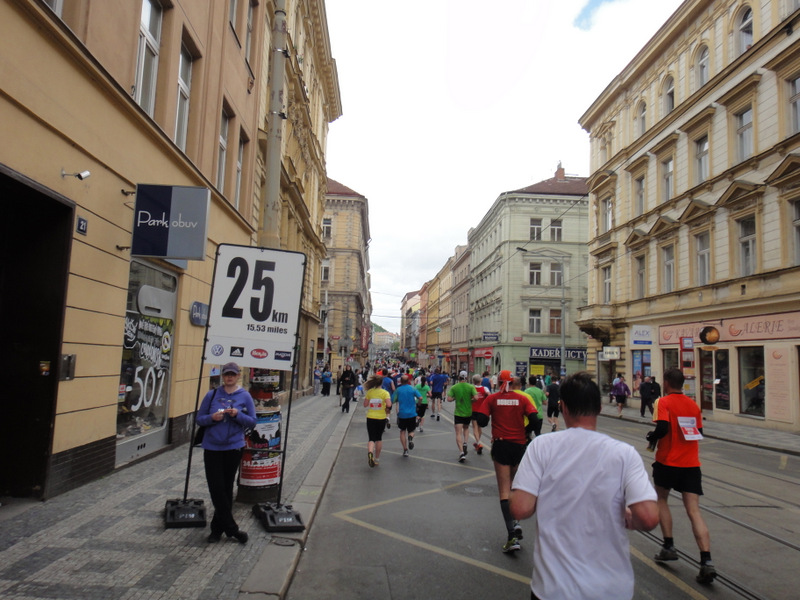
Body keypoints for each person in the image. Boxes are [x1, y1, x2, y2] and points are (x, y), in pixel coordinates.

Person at [510, 371, 659, 600]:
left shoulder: (542, 447)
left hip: (554, 589)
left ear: (563, 408)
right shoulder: (624, 453)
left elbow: (520, 509)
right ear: (599, 408)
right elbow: (648, 518)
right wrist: (630, 517)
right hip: (612, 589)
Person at [647, 368, 717, 584]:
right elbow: (700, 432)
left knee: (661, 499)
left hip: (667, 461)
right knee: (694, 510)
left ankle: (668, 545)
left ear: (666, 382)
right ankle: (706, 561)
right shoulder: (693, 405)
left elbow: (663, 427)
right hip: (691, 464)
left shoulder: (663, 402)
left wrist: (651, 435)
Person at [473, 370, 538, 553]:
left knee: (504, 490)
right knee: (516, 486)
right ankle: (516, 521)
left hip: (501, 444)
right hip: (519, 445)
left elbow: (482, 421)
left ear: (498, 382)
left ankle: (512, 536)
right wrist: (526, 433)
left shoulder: (492, 399)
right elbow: (535, 419)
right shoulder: (522, 399)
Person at [196, 362, 257, 544]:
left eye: (233, 374)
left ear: (238, 375)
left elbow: (252, 422)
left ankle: (216, 530)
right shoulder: (212, 394)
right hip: (212, 448)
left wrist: (237, 414)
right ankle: (232, 529)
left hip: (233, 448)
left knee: (227, 489)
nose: (229, 377)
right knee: (216, 489)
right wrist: (212, 418)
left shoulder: (245, 396)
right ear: (222, 376)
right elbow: (199, 419)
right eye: (226, 374)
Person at [446, 371, 477, 462]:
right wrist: (471, 401)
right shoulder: (471, 387)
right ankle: (465, 443)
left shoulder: (454, 387)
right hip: (468, 412)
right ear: (466, 378)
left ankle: (461, 453)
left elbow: (449, 399)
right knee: (466, 428)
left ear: (459, 377)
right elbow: (476, 398)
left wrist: (455, 398)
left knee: (458, 433)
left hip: (458, 413)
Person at [363, 374, 392, 467]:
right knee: (379, 438)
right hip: (381, 418)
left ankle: (370, 452)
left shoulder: (370, 392)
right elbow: (389, 404)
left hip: (370, 417)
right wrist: (386, 408)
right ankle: (377, 458)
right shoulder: (385, 393)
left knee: (371, 438)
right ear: (381, 383)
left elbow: (365, 404)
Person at [391, 374, 422, 457]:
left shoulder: (398, 390)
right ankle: (410, 438)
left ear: (400, 381)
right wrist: (418, 404)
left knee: (402, 431)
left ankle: (405, 450)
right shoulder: (413, 388)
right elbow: (421, 398)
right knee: (411, 431)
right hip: (412, 414)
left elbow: (392, 400)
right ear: (408, 381)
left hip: (402, 414)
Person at [471, 374, 490, 454]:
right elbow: (489, 395)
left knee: (475, 427)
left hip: (473, 410)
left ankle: (478, 443)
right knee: (479, 427)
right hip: (482, 411)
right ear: (480, 380)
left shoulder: (472, 388)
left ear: (473, 381)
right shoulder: (484, 388)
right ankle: (477, 441)